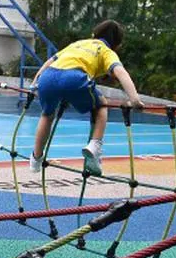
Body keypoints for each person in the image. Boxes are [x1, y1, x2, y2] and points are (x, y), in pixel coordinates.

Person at [29, 20, 144, 176]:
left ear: (94, 34)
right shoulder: (106, 51)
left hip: (48, 77)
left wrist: (34, 83)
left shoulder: (78, 44)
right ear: (116, 44)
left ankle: (36, 158)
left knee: (47, 115)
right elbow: (120, 72)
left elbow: (49, 62)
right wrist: (135, 99)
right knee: (102, 104)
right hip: (74, 78)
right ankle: (94, 146)